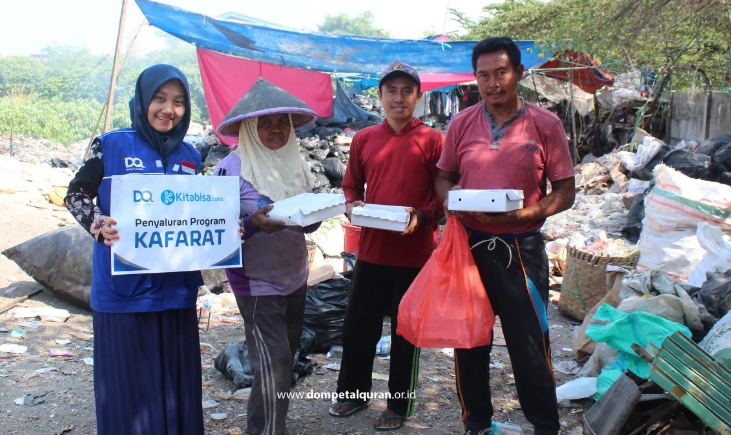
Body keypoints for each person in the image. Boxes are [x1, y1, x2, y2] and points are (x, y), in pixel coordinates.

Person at [435, 37, 576, 435]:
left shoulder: (545, 124)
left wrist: (530, 212)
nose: (492, 82)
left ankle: (545, 426)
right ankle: (476, 422)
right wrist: (454, 203)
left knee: (530, 344)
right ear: (475, 79)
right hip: (470, 248)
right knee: (470, 341)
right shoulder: (461, 123)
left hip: (522, 249)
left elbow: (565, 190)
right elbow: (443, 176)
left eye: (501, 72)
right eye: (484, 75)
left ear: (518, 74)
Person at [64, 64, 204, 435]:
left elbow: (201, 211)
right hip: (123, 290)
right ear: (143, 99)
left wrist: (223, 227)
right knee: (127, 386)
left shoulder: (191, 154)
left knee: (177, 385)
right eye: (159, 99)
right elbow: (76, 195)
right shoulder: (109, 144)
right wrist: (96, 222)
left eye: (178, 102)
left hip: (176, 290)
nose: (168, 110)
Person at [330, 62, 444, 431]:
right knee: (358, 328)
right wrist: (352, 205)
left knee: (405, 333)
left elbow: (444, 201)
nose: (399, 98)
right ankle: (352, 395)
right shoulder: (364, 139)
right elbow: (351, 186)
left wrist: (421, 217)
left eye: (406, 91)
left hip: (415, 255)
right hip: (372, 251)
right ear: (380, 96)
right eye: (391, 91)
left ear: (418, 97)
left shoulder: (433, 141)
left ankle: (399, 405)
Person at [213, 77, 323, 435]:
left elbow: (306, 226)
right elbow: (215, 231)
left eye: (282, 122)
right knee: (273, 365)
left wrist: (317, 215)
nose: (275, 129)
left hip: (295, 278)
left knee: (284, 363)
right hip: (255, 284)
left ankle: (272, 427)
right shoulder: (231, 169)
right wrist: (255, 223)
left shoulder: (297, 164)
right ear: (248, 126)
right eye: (265, 122)